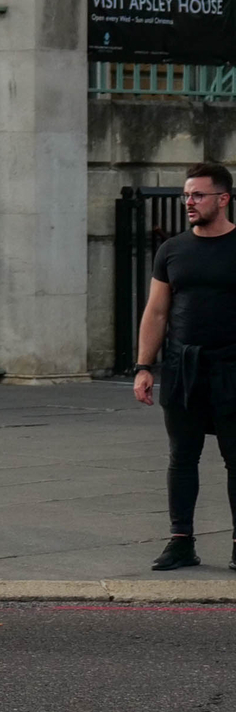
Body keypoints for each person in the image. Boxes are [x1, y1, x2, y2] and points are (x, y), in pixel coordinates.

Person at [132, 162, 236, 570]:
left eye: (198, 195)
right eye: (186, 195)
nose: (189, 202)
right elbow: (156, 312)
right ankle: (181, 541)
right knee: (182, 456)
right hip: (183, 367)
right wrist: (144, 366)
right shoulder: (172, 249)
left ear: (223, 198)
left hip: (232, 366)